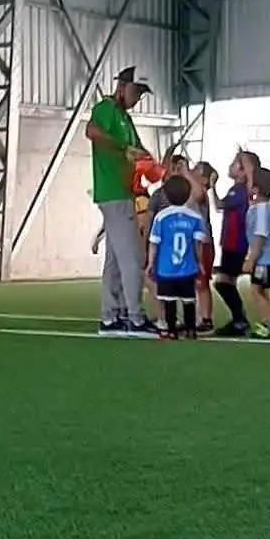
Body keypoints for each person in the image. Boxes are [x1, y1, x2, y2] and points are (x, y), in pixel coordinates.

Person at [85, 68, 155, 337]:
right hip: (115, 193)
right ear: (122, 87)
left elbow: (139, 149)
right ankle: (134, 317)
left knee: (114, 261)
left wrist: (151, 162)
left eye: (141, 94)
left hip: (122, 193)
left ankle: (110, 317)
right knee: (132, 259)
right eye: (136, 91)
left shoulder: (125, 117)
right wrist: (124, 148)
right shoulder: (106, 109)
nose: (137, 98)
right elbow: (91, 131)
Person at [147, 173, 212, 340]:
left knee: (169, 300)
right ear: (188, 194)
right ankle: (191, 330)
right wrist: (200, 262)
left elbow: (154, 242)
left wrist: (150, 263)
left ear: (166, 195)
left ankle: (171, 330)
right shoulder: (195, 217)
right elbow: (198, 244)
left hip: (166, 268)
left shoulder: (161, 217)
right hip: (187, 267)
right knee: (188, 299)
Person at [213, 148, 257, 337]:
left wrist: (246, 164)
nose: (230, 166)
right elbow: (219, 205)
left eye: (235, 164)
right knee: (227, 282)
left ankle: (239, 319)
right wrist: (213, 187)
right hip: (230, 243)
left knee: (222, 282)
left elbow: (221, 205)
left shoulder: (241, 190)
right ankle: (238, 320)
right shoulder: (236, 190)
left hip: (235, 243)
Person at [244, 165, 270, 340]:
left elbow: (260, 237)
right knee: (263, 292)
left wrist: (251, 259)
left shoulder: (261, 210)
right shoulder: (266, 204)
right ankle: (269, 322)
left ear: (257, 189)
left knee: (256, 291)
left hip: (263, 259)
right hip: (268, 258)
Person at [190, 161, 218, 334]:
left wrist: (185, 172)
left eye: (196, 171)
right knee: (194, 282)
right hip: (193, 242)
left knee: (202, 282)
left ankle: (206, 319)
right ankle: (197, 317)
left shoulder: (201, 193)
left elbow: (198, 194)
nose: (191, 172)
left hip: (203, 243)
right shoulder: (190, 191)